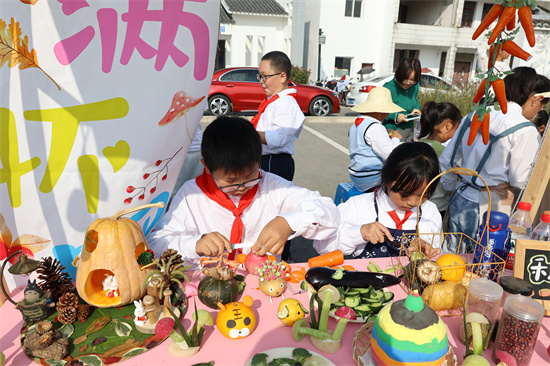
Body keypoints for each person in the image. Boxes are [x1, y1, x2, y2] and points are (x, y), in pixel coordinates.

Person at [147, 116, 339, 268]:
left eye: (250, 176)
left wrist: (288, 222)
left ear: (259, 161)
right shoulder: (191, 194)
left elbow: (329, 211)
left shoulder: (272, 187)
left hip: (264, 282)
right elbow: (155, 243)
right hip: (210, 284)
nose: (241, 187)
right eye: (230, 181)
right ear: (206, 167)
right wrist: (195, 244)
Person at [440, 67, 550, 253]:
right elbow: (519, 179)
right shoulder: (525, 130)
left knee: (451, 256)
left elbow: (447, 160)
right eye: (542, 106)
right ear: (536, 99)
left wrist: (452, 188)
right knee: (481, 261)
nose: (540, 111)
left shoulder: (474, 114)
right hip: (492, 205)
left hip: (461, 195)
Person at [314, 142, 442, 259]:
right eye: (405, 194)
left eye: (423, 195)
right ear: (387, 179)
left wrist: (427, 247)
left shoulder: (429, 212)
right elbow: (322, 246)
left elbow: (436, 252)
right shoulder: (359, 206)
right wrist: (359, 233)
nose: (413, 202)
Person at [251, 50, 305, 182]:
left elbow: (278, 138)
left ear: (282, 77)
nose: (261, 81)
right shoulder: (275, 101)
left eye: (265, 76)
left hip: (274, 162)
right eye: (260, 76)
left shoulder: (286, 103)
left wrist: (248, 134)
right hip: (265, 160)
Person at [348, 86, 403, 192]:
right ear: (380, 111)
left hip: (356, 176)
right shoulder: (376, 127)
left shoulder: (357, 123)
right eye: (387, 112)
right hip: (371, 180)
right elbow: (389, 155)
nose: (387, 115)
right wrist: (396, 139)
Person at [417, 102, 462, 218]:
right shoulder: (444, 152)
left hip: (416, 204)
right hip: (437, 208)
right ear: (448, 125)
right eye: (458, 127)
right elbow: (453, 179)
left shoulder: (416, 145)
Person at [382, 58, 422, 142]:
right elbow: (380, 111)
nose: (408, 83)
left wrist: (416, 108)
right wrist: (396, 116)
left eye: (412, 80)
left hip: (410, 128)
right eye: (405, 79)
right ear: (399, 74)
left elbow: (415, 100)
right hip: (392, 129)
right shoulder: (388, 88)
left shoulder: (415, 86)